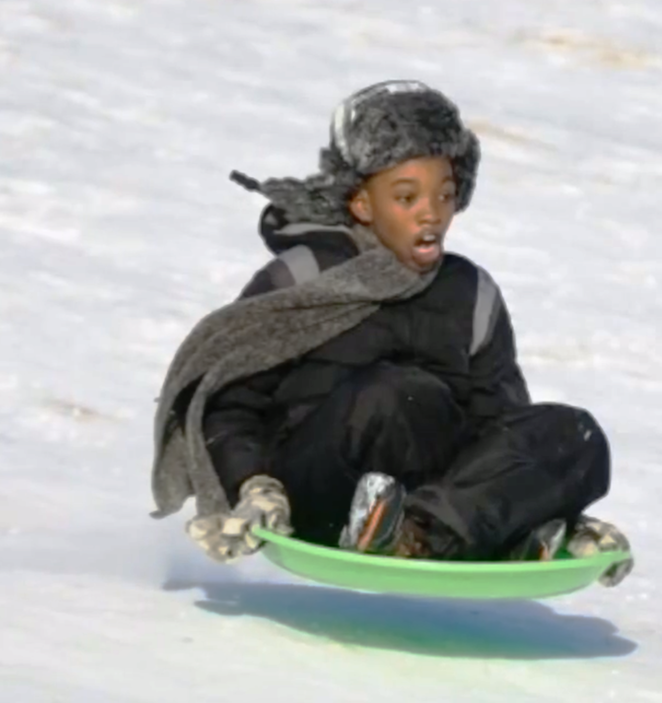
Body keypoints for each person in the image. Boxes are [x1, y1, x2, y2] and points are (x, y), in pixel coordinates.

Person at [149, 80, 631, 586]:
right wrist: (255, 485)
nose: (431, 212)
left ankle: (430, 534)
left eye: (444, 195)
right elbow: (232, 402)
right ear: (362, 204)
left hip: (433, 498)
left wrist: (545, 491)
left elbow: (500, 423)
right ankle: (440, 530)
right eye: (407, 197)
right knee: (397, 395)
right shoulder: (306, 276)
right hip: (319, 493)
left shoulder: (471, 294)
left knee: (575, 434)